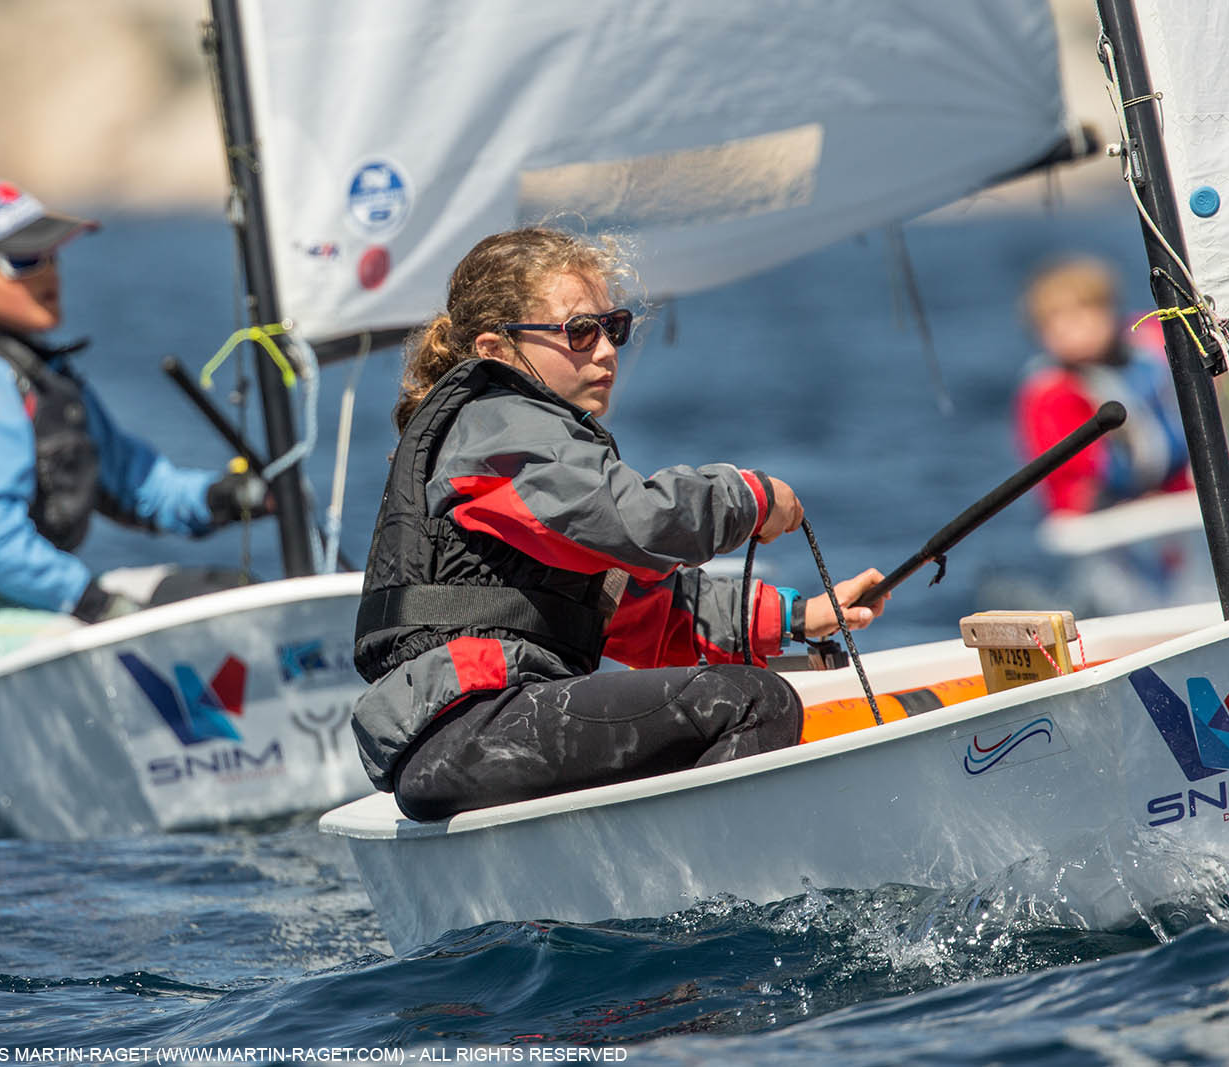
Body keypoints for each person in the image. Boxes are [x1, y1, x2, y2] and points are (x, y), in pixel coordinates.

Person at [351, 227, 887, 820]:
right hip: (471, 728)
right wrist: (748, 498)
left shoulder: (514, 447)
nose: (605, 351)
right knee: (751, 704)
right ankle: (714, 895)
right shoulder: (498, 428)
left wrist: (789, 617)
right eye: (580, 332)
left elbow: (635, 608)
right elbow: (635, 521)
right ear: (496, 351)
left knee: (718, 701)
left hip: (470, 735)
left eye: (613, 329)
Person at [0, 177, 271, 679]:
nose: (50, 272)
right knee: (110, 648)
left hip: (44, 602)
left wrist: (228, 497)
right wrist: (89, 599)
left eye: (50, 255)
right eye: (23, 261)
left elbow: (139, 484)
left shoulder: (45, 379)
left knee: (232, 593)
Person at [1014, 256, 1191, 514]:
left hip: (1171, 490)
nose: (1068, 329)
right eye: (1054, 321)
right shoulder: (1051, 394)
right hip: (1100, 509)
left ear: (1110, 313)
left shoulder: (1148, 347)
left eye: (1082, 314)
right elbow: (1076, 477)